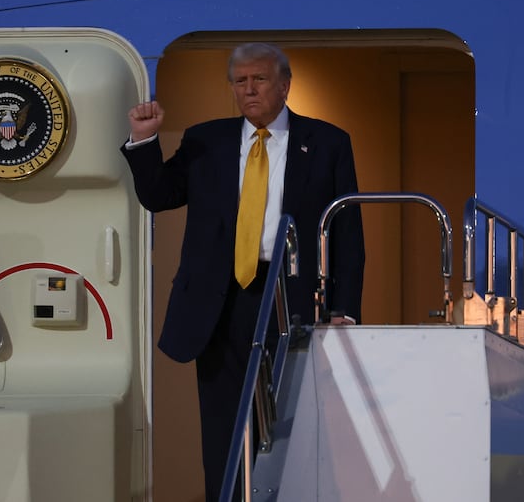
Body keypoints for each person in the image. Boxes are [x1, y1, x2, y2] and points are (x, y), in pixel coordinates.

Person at [121, 42, 364, 501]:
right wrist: (145, 140)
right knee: (224, 428)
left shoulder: (329, 142)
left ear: (285, 85)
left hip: (290, 299)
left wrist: (345, 309)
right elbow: (160, 195)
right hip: (220, 302)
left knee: (295, 419)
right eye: (240, 81)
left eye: (259, 80)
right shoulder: (204, 139)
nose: (248, 90)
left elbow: (348, 234)